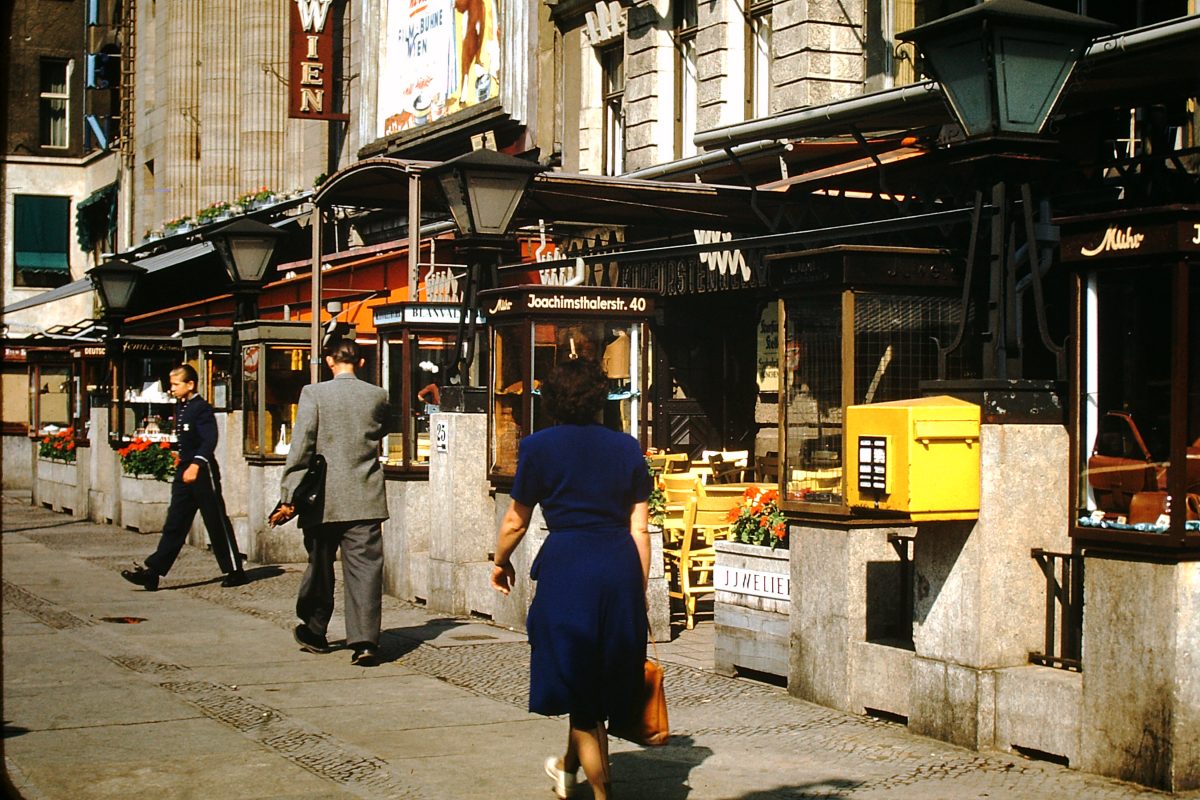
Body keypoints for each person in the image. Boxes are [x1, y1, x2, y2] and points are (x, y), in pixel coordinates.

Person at [490, 357, 652, 800]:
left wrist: (500, 561)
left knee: (581, 694)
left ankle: (603, 795)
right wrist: (638, 591)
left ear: (552, 401)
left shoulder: (539, 447)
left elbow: (515, 522)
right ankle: (566, 767)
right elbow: (640, 528)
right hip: (618, 568)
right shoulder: (626, 448)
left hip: (568, 572)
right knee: (595, 683)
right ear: (600, 399)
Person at [269, 339, 389, 667]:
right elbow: (383, 430)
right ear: (360, 362)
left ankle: (315, 628)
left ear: (328, 361)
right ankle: (365, 642)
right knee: (365, 569)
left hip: (322, 498)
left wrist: (288, 496)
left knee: (320, 565)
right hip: (365, 495)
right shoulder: (377, 395)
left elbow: (302, 446)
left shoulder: (314, 394)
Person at [122, 364, 247, 591]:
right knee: (175, 522)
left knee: (215, 520)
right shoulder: (181, 407)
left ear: (190, 385)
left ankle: (234, 570)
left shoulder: (201, 408)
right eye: (171, 384)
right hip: (184, 468)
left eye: (176, 384)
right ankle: (154, 571)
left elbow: (209, 440)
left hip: (201, 471)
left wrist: (197, 464)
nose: (172, 389)